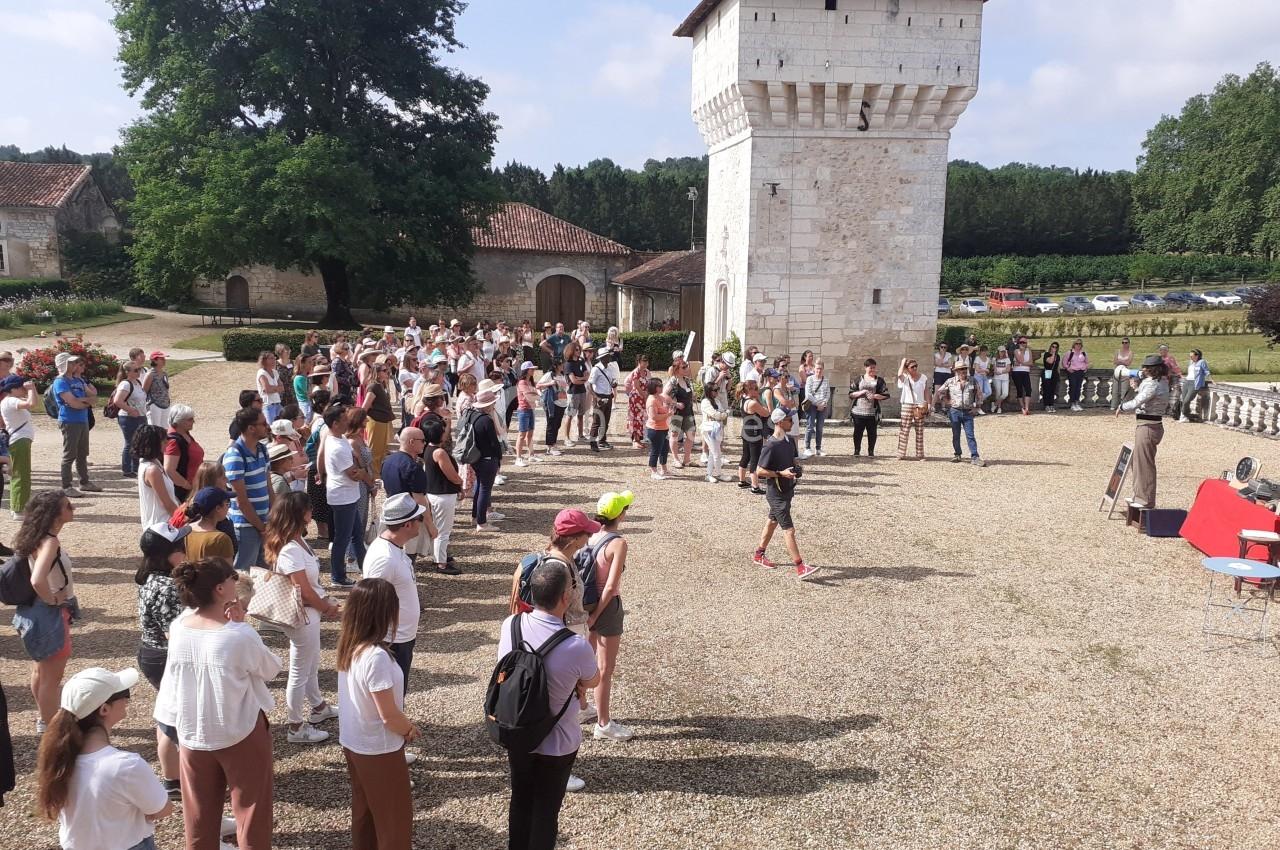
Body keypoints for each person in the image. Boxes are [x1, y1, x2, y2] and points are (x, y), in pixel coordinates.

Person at [155, 556, 281, 850]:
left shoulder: (180, 626)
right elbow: (271, 669)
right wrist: (241, 625)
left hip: (193, 732)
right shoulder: (237, 634)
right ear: (221, 589)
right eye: (231, 579)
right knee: (251, 812)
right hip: (239, 729)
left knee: (198, 816)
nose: (236, 582)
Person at [498, 542, 600, 843]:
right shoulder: (575, 645)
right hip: (557, 738)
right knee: (546, 810)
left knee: (520, 800)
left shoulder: (511, 625)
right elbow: (592, 680)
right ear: (566, 597)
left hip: (518, 729)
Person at [34, 666, 173, 850]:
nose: (126, 699)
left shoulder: (59, 760)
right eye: (123, 694)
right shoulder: (125, 766)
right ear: (104, 709)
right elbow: (162, 809)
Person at [337, 578, 417, 850]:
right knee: (394, 820)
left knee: (365, 812)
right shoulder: (376, 657)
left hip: (354, 740)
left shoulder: (350, 645)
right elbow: (388, 715)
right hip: (378, 747)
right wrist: (408, 729)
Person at [264, 491, 341, 745]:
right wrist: (327, 607)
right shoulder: (290, 550)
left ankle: (318, 707)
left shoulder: (297, 542)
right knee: (299, 670)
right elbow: (303, 591)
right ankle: (295, 725)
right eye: (308, 509)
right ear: (301, 514)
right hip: (303, 615)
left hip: (311, 613)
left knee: (311, 663)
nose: (312, 512)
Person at [13, 491, 78, 731]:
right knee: (52, 679)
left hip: (31, 612)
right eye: (68, 506)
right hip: (48, 614)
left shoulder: (35, 537)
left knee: (40, 671)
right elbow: (38, 579)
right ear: (55, 515)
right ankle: (51, 728)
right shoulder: (50, 542)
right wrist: (53, 599)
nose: (73, 509)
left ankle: (44, 717)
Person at [135, 522, 190, 798]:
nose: (186, 550)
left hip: (151, 652)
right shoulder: (168, 586)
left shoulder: (150, 576)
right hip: (166, 657)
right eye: (181, 547)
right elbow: (175, 635)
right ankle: (178, 779)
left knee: (167, 718)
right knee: (173, 722)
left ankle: (172, 779)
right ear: (167, 554)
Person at [361, 493, 426, 713]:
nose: (421, 523)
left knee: (398, 690)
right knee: (391, 695)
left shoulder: (393, 549)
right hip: (391, 639)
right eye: (420, 519)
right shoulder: (384, 558)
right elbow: (369, 602)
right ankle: (391, 742)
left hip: (401, 635)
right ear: (407, 524)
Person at [586, 491, 634, 742]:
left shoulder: (589, 536)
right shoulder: (618, 543)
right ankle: (603, 723)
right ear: (621, 514)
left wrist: (588, 614)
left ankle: (582, 707)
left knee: (583, 662)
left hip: (585, 601)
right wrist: (596, 616)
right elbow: (611, 586)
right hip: (606, 607)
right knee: (605, 668)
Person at [753, 408, 819, 580]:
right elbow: (759, 470)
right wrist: (780, 473)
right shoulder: (771, 444)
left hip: (787, 491)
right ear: (779, 422)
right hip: (776, 494)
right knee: (789, 530)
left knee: (772, 522)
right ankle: (800, 566)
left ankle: (759, 554)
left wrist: (796, 468)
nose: (793, 422)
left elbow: (792, 460)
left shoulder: (789, 441)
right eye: (789, 419)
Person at [323, 405, 374, 586]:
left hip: (347, 495)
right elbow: (354, 474)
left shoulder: (337, 438)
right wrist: (368, 480)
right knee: (342, 539)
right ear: (335, 423)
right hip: (343, 497)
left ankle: (366, 570)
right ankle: (338, 576)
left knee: (356, 536)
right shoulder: (338, 446)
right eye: (344, 420)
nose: (348, 423)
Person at [1116, 355, 1171, 508]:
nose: (1143, 370)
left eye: (1146, 367)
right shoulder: (1160, 382)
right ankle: (1139, 495)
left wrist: (1122, 407)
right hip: (1149, 424)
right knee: (1138, 462)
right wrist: (1136, 387)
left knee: (1144, 464)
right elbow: (1146, 397)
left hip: (1148, 425)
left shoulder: (1153, 384)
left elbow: (1137, 402)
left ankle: (1145, 500)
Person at [223, 407, 273, 571]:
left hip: (264, 523)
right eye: (263, 423)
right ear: (251, 428)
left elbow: (269, 488)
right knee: (243, 575)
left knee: (263, 574)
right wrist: (262, 528)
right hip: (245, 526)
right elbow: (242, 501)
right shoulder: (234, 455)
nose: (267, 426)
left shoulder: (262, 449)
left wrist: (273, 519)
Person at [51, 352, 101, 497]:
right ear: (64, 365)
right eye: (71, 363)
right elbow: (72, 402)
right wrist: (85, 403)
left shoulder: (78, 380)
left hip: (82, 420)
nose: (75, 365)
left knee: (82, 453)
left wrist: (82, 402)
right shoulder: (60, 381)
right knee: (69, 455)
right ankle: (66, 486)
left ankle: (84, 482)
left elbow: (93, 397)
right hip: (69, 421)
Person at [934, 362, 986, 466]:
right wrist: (947, 401)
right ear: (956, 371)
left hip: (968, 412)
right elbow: (939, 392)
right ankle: (957, 454)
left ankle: (975, 457)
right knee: (956, 434)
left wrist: (977, 408)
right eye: (960, 369)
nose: (963, 371)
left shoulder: (972, 380)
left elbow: (979, 394)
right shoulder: (950, 381)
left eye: (964, 369)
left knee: (970, 435)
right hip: (955, 411)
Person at [0, 373, 36, 517]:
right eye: (21, 386)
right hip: (19, 440)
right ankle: (18, 508)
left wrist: (31, 390)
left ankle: (20, 506)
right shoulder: (10, 401)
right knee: (21, 475)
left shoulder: (11, 400)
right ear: (13, 389)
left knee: (23, 474)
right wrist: (32, 389)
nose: (23, 388)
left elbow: (33, 403)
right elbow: (31, 404)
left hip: (22, 439)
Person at [469, 388, 504, 532]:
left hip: (476, 457)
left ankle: (475, 516)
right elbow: (494, 442)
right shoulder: (486, 420)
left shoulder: (472, 416)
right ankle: (482, 522)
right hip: (488, 458)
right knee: (485, 490)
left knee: (479, 487)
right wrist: (499, 458)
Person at [134, 425, 181, 529]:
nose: (167, 443)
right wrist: (185, 520)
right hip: (161, 528)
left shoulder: (154, 463)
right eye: (164, 441)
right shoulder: (152, 470)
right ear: (154, 445)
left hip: (165, 524)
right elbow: (167, 504)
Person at [111, 361, 149, 478]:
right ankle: (127, 469)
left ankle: (136, 467)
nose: (139, 372)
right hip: (128, 418)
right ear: (128, 372)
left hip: (140, 416)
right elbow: (118, 401)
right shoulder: (126, 384)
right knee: (130, 443)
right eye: (136, 370)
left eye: (139, 369)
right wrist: (130, 410)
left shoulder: (137, 382)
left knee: (139, 442)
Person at [362, 356, 397, 472]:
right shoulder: (374, 386)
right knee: (375, 450)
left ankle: (378, 472)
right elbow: (366, 405)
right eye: (384, 370)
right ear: (377, 372)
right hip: (376, 421)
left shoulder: (381, 385)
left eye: (388, 370)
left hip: (383, 421)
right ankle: (374, 473)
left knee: (382, 449)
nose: (387, 372)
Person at [184, 487, 236, 562]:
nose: (228, 508)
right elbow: (228, 572)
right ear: (218, 508)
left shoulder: (186, 530)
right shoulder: (221, 539)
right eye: (227, 504)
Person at [848, 359, 888, 457]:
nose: (873, 370)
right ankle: (857, 450)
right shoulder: (858, 379)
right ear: (865, 368)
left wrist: (874, 396)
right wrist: (862, 392)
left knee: (872, 432)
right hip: (858, 411)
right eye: (871, 368)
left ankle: (871, 451)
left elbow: (886, 395)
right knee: (857, 432)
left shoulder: (880, 381)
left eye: (874, 368)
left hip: (872, 412)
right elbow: (851, 393)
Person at [163, 404, 203, 501]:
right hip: (183, 492)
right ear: (179, 421)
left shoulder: (185, 434)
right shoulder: (173, 441)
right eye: (190, 419)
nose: (193, 421)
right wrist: (187, 486)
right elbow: (169, 470)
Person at [736, 379, 768, 493]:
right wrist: (760, 400)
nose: (758, 391)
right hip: (754, 433)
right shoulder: (753, 403)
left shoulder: (743, 399)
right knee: (755, 459)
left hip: (746, 431)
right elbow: (766, 413)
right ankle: (755, 486)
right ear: (751, 390)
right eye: (756, 389)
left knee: (745, 456)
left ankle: (742, 480)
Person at [896, 358, 927, 460]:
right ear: (907, 368)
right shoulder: (905, 377)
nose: (914, 368)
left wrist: (929, 404)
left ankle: (920, 454)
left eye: (916, 366)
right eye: (912, 367)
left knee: (919, 430)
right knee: (904, 430)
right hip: (907, 404)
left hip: (920, 405)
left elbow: (926, 391)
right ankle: (901, 454)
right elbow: (899, 374)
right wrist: (902, 362)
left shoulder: (923, 377)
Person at [588, 350, 617, 452]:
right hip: (599, 396)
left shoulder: (610, 367)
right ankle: (592, 442)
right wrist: (596, 397)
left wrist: (613, 384)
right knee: (597, 421)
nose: (609, 358)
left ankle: (602, 440)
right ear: (602, 358)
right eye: (607, 356)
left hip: (608, 395)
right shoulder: (596, 369)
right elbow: (589, 385)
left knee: (606, 420)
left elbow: (612, 380)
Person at [700, 383, 730, 483]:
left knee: (713, 453)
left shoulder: (716, 400)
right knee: (716, 453)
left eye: (717, 389)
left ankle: (710, 474)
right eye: (715, 390)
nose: (717, 391)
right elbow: (716, 415)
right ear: (709, 391)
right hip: (709, 429)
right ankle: (717, 473)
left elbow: (720, 413)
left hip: (717, 429)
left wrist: (723, 414)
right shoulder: (705, 402)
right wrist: (725, 414)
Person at [644, 377, 672, 481]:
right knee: (655, 450)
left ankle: (664, 469)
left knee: (664, 449)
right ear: (654, 388)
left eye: (661, 385)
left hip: (663, 428)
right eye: (659, 385)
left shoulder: (660, 397)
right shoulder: (652, 400)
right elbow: (654, 417)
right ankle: (653, 471)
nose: (662, 387)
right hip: (655, 429)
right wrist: (668, 414)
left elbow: (668, 403)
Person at [802, 359, 830, 458]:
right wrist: (817, 404)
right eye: (817, 368)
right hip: (812, 406)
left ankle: (818, 448)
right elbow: (808, 394)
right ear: (814, 369)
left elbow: (828, 393)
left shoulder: (826, 380)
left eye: (821, 369)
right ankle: (807, 447)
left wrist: (824, 403)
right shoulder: (810, 379)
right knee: (810, 426)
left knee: (819, 428)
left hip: (823, 406)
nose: (819, 371)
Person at [513, 361, 539, 466]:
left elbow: (535, 394)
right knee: (522, 434)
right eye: (531, 369)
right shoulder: (522, 382)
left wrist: (535, 397)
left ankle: (531, 454)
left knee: (530, 434)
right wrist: (535, 397)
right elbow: (531, 396)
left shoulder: (530, 382)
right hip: (524, 410)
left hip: (530, 409)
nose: (533, 371)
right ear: (526, 370)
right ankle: (518, 458)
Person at [562, 342, 588, 446]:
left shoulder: (581, 361)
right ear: (571, 350)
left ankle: (580, 435)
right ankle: (566, 438)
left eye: (579, 349)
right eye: (576, 350)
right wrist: (582, 379)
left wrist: (580, 379)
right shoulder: (568, 364)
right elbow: (573, 381)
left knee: (581, 414)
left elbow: (587, 375)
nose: (579, 351)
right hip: (573, 393)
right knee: (570, 415)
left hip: (582, 391)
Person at [623, 353, 651, 449]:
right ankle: (635, 439)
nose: (646, 363)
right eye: (644, 361)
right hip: (636, 399)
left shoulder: (647, 372)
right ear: (639, 362)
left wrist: (647, 395)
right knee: (636, 418)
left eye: (647, 361)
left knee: (642, 418)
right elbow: (636, 386)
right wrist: (644, 395)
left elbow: (649, 384)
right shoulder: (636, 372)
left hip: (643, 398)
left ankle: (640, 438)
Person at [143, 351, 171, 428]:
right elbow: (144, 391)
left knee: (165, 428)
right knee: (155, 428)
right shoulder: (150, 374)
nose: (164, 360)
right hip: (154, 405)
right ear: (154, 360)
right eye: (161, 359)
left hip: (165, 405)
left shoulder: (164, 374)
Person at [1182, 348, 1211, 423]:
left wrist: (1212, 379)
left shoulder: (1202, 362)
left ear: (1197, 356)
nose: (1190, 358)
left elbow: (1206, 371)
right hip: (1187, 381)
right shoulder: (1190, 362)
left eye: (1192, 356)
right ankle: (1186, 416)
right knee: (1183, 400)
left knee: (1186, 400)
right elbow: (1190, 372)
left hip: (1195, 383)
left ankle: (1188, 415)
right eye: (1190, 356)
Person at [256, 351, 284, 424]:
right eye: (271, 358)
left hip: (278, 403)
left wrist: (273, 388)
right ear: (264, 360)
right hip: (268, 405)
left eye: (274, 358)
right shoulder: (261, 373)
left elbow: (282, 388)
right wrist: (276, 388)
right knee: (271, 428)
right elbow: (267, 389)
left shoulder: (275, 372)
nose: (274, 360)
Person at [1064, 339, 1089, 412]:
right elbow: (1064, 362)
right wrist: (1068, 369)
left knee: (1078, 387)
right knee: (1073, 387)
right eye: (1076, 344)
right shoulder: (1070, 353)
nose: (1078, 345)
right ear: (1074, 344)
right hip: (1072, 372)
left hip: (1080, 372)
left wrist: (1085, 368)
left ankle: (1077, 403)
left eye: (1080, 344)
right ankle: (1072, 403)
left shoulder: (1083, 353)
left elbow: (1087, 362)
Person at [1160, 344, 1184, 420]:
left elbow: (1175, 367)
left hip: (1166, 380)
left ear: (1167, 351)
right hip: (1158, 379)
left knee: (1165, 394)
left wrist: (1180, 375)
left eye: (1164, 350)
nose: (1162, 351)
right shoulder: (1158, 358)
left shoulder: (1170, 358)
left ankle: (1166, 410)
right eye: (1161, 350)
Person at [1012, 337, 1034, 415]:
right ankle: (1022, 407)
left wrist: (1021, 364)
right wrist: (1022, 351)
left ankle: (1027, 407)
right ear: (1018, 343)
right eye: (1021, 342)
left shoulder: (1029, 351)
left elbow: (1031, 363)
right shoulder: (1016, 351)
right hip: (1016, 372)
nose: (1023, 344)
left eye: (1024, 342)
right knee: (1019, 389)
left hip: (1025, 371)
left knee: (1028, 389)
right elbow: (1020, 359)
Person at [1112, 338, 1135, 411]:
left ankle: (1123, 405)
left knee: (1124, 390)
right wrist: (1123, 361)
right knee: (1115, 389)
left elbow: (1128, 363)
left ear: (1129, 343)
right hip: (1117, 371)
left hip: (1125, 372)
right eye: (1123, 342)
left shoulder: (1130, 352)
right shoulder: (1117, 351)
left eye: (1126, 342)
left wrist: (1120, 361)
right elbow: (1115, 361)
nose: (1124, 344)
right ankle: (1114, 405)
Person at [1040, 341, 1062, 413]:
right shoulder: (1047, 354)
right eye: (1053, 346)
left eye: (1056, 347)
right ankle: (1046, 405)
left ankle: (1051, 404)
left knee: (1053, 390)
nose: (1054, 348)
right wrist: (1053, 354)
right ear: (1050, 347)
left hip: (1054, 373)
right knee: (1047, 389)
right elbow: (1050, 362)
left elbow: (1057, 366)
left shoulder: (1058, 356)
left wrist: (1059, 374)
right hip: (1047, 372)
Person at [931, 343, 953, 408]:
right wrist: (943, 359)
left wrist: (942, 364)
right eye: (942, 347)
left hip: (947, 373)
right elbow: (937, 364)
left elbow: (950, 364)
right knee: (937, 390)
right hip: (938, 373)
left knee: (945, 391)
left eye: (945, 347)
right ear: (939, 347)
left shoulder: (949, 354)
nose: (943, 348)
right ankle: (932, 406)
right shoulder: (936, 354)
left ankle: (943, 407)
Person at [972, 346, 992, 415]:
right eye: (982, 351)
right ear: (980, 351)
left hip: (985, 377)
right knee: (979, 392)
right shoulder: (977, 358)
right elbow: (977, 369)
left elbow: (988, 369)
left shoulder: (988, 359)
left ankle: (976, 402)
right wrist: (985, 370)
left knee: (988, 392)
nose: (984, 352)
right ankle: (978, 408)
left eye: (985, 351)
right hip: (978, 377)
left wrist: (984, 370)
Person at [991, 347, 1011, 414]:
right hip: (997, 378)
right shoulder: (994, 359)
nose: (1002, 353)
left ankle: (995, 404)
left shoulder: (1007, 359)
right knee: (998, 394)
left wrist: (1001, 372)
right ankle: (999, 408)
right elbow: (994, 369)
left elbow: (1008, 369)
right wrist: (996, 371)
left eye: (1003, 351)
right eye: (1000, 351)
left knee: (1005, 394)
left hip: (1005, 378)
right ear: (998, 352)